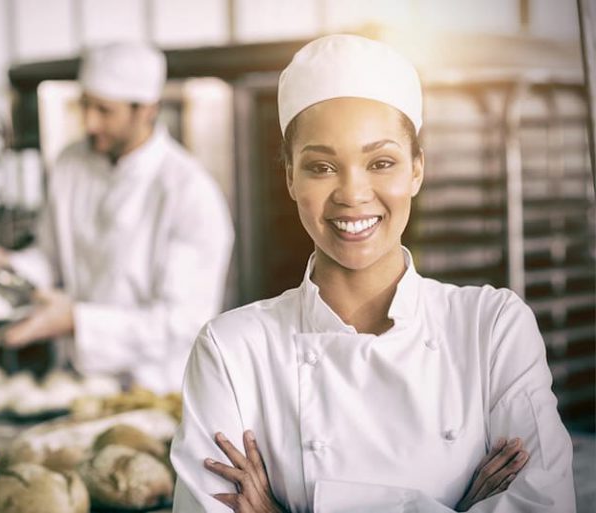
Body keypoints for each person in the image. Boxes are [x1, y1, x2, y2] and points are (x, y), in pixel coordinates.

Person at [170, 35, 575, 512]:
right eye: (321, 166)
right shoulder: (230, 350)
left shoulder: (493, 326)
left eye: (381, 162)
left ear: (417, 170)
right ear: (290, 178)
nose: (353, 193)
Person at [0, 42, 234, 394]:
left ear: (146, 109)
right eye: (85, 105)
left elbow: (182, 321)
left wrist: (78, 321)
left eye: (104, 110)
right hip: (73, 384)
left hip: (155, 392)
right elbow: (51, 255)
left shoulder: (189, 192)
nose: (89, 122)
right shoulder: (71, 164)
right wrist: (12, 268)